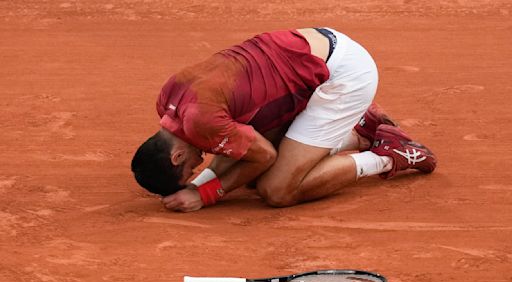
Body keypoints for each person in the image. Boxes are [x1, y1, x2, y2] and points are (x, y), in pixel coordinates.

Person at [131, 28, 436, 212]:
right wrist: (194, 188)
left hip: (343, 76)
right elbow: (231, 149)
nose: (200, 161)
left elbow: (263, 156)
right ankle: (361, 131)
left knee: (276, 189)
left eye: (190, 168)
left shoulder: (201, 121)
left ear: (176, 155)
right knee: (244, 167)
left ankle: (388, 154)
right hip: (312, 42)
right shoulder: (168, 100)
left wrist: (205, 194)